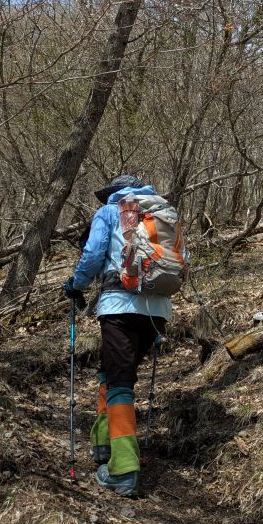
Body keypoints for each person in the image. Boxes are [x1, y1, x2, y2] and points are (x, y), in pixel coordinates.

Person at [64, 175, 171, 498]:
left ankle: (123, 469)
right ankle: (103, 444)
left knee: (120, 383)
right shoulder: (160, 213)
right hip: (157, 311)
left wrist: (76, 284)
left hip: (119, 307)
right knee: (112, 373)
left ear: (114, 193)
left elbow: (93, 254)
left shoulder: (110, 211)